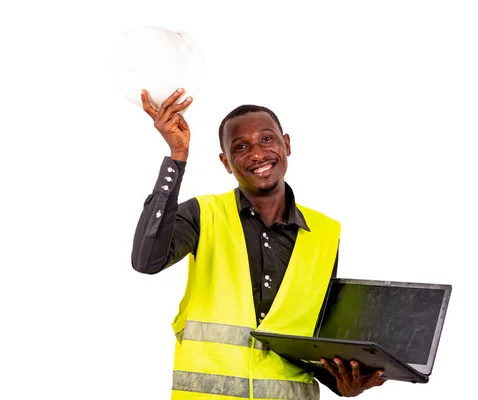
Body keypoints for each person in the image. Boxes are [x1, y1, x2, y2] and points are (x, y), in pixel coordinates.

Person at [131, 88, 386, 399]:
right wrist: (177, 157)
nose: (256, 154)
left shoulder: (324, 232)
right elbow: (147, 261)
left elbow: (315, 337)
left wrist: (344, 384)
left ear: (286, 144)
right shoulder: (202, 214)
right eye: (241, 147)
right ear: (226, 162)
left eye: (267, 139)